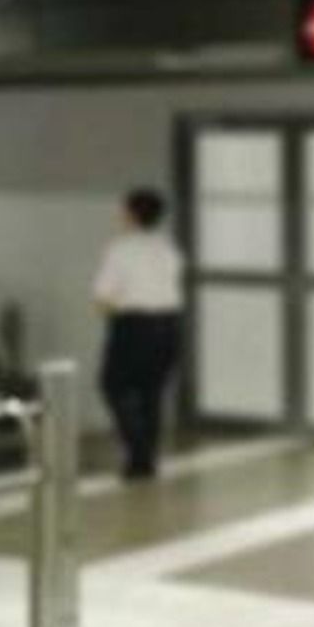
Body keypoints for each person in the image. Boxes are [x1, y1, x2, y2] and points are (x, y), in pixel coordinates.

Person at [92, 188, 184, 481]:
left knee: (111, 385)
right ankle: (145, 458)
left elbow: (103, 297)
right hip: (169, 325)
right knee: (151, 393)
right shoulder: (167, 248)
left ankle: (139, 453)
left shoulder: (121, 250)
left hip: (133, 326)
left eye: (123, 210)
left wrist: (110, 309)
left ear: (132, 214)